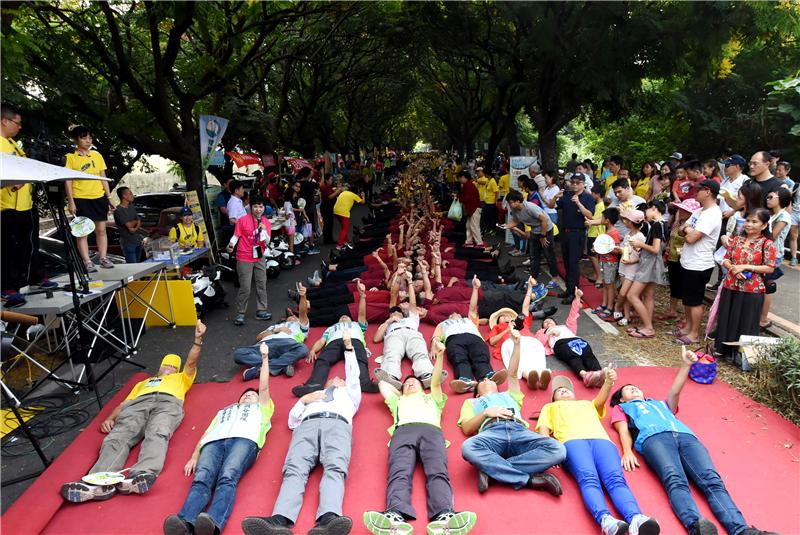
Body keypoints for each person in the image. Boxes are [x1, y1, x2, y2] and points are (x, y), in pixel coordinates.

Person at [611, 346, 773, 535]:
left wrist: (685, 365)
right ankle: (696, 527)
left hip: (686, 437)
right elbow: (623, 430)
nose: (634, 389)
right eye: (629, 390)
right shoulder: (623, 409)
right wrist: (628, 451)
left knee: (713, 481)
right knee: (675, 479)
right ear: (622, 400)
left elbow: (675, 392)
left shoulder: (659, 404)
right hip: (654, 440)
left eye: (636, 388)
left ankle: (742, 530)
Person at [61, 321, 207, 503]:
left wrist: (197, 340)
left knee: (158, 432)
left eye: (173, 367)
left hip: (168, 403)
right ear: (160, 367)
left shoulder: (181, 378)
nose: (169, 368)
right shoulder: (142, 383)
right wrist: (110, 417)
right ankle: (99, 480)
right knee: (119, 435)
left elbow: (191, 362)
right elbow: (125, 403)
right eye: (166, 365)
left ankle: (141, 475)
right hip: (138, 404)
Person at [241, 330, 361, 535]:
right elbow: (291, 421)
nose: (336, 379)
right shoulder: (314, 395)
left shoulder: (350, 394)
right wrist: (303, 400)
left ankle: (329, 519)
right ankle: (279, 520)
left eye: (340, 379)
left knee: (335, 466)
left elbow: (353, 374)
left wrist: (349, 349)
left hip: (337, 424)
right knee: (294, 469)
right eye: (333, 379)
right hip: (307, 424)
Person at [364, 340, 477, 535]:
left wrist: (440, 356)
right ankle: (394, 516)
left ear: (421, 385)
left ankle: (444, 516)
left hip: (431, 431)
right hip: (403, 431)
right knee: (399, 472)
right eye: (407, 383)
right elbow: (382, 383)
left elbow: (435, 381)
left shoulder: (433, 398)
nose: (410, 384)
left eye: (414, 382)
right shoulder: (397, 401)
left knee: (437, 472)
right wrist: (401, 390)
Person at [164, 343, 274, 535]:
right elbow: (207, 433)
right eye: (245, 394)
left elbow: (263, 388)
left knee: (227, 476)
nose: (249, 396)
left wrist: (265, 359)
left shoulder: (263, 409)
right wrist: (194, 456)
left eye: (252, 395)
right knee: (202, 479)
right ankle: (185, 522)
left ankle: (213, 522)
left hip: (244, 440)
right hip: (213, 442)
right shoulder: (224, 411)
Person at [536, 372, 661, 535]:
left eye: (566, 389)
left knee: (616, 480)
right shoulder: (550, 407)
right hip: (573, 442)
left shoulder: (587, 404)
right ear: (554, 399)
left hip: (602, 442)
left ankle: (636, 518)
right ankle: (606, 520)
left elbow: (600, 401)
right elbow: (544, 428)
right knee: (588, 479)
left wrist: (608, 382)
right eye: (559, 391)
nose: (564, 390)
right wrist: (550, 449)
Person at [459, 329, 566, 495]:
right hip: (491, 432)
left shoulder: (509, 395)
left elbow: (513, 374)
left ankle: (493, 472)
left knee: (558, 450)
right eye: (483, 380)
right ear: (478, 393)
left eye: (491, 378)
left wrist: (517, 345)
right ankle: (530, 480)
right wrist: (486, 413)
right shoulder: (472, 401)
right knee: (468, 447)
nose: (488, 379)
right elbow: (466, 428)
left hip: (519, 431)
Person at [1, 103, 54, 306]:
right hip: (6, 207)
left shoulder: (13, 144)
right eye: (17, 122)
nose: (19, 126)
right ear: (5, 121)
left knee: (29, 245)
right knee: (7, 250)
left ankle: (34, 278)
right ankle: (7, 287)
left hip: (25, 204)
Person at [292, 281, 380, 396]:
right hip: (334, 343)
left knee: (360, 359)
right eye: (342, 317)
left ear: (351, 320)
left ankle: (364, 382)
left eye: (346, 317)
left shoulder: (357, 325)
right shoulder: (331, 328)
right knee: (323, 360)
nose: (344, 317)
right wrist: (313, 350)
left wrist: (362, 296)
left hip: (354, 340)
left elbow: (362, 314)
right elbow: (322, 341)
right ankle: (313, 385)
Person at [715, 209, 776, 359]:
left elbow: (770, 267)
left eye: (754, 222)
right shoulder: (736, 239)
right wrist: (732, 268)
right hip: (731, 285)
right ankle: (723, 351)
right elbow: (726, 258)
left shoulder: (767, 244)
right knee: (727, 317)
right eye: (748, 220)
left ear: (763, 226)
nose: (749, 224)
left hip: (752, 289)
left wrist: (746, 267)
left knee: (745, 321)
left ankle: (740, 356)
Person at [431, 276, 507, 394]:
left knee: (480, 355)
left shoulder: (469, 320)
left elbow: (472, 307)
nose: (454, 313)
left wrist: (475, 288)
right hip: (454, 339)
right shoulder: (443, 324)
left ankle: (487, 376)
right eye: (452, 314)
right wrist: (433, 347)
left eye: (456, 313)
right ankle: (465, 380)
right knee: (459, 357)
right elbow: (435, 337)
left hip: (474, 338)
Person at [675, 180, 722, 345]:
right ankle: (687, 328)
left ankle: (694, 334)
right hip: (688, 260)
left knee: (695, 300)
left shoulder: (713, 213)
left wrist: (687, 230)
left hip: (700, 263)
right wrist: (687, 230)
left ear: (708, 191)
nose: (695, 193)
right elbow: (682, 229)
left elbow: (691, 237)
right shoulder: (700, 211)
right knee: (687, 299)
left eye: (698, 190)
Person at [373, 274, 437, 389]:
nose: (394, 313)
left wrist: (410, 281)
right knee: (392, 355)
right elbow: (376, 339)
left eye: (397, 312)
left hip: (411, 332)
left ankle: (427, 375)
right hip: (394, 334)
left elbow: (412, 303)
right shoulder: (388, 323)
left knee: (420, 353)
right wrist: (388, 322)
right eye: (393, 312)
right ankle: (391, 377)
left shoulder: (411, 318)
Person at [485, 277, 551, 390]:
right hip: (510, 341)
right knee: (519, 358)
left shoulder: (520, 321)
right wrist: (507, 330)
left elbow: (525, 306)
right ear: (498, 321)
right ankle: (529, 377)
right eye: (503, 316)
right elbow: (492, 341)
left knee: (535, 352)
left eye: (508, 315)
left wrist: (530, 287)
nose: (506, 317)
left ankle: (542, 375)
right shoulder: (497, 327)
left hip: (529, 340)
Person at [64, 125, 115, 271]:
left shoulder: (97, 155)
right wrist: (71, 201)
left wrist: (109, 196)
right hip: (81, 198)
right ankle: (87, 261)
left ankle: (103, 257)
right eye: (84, 137)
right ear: (76, 140)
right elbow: (68, 181)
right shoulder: (70, 158)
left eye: (90, 138)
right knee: (83, 232)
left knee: (101, 230)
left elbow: (103, 177)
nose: (88, 140)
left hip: (98, 197)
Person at [235, 284, 310, 379]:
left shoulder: (301, 325)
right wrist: (276, 330)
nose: (294, 316)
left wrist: (303, 296)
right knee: (239, 354)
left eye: (295, 316)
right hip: (266, 345)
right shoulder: (275, 326)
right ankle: (280, 366)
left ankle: (262, 368)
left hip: (287, 345)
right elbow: (259, 337)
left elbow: (303, 313)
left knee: (303, 349)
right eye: (291, 316)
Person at [534, 288, 605, 387]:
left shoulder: (565, 327)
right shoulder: (543, 332)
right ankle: (585, 375)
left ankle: (599, 375)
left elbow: (572, 316)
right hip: (561, 344)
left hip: (577, 341)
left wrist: (577, 298)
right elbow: (538, 343)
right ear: (543, 326)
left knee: (588, 355)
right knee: (573, 358)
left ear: (556, 323)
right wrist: (548, 334)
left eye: (550, 320)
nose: (548, 322)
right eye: (545, 322)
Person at [226, 195, 272, 326]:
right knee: (245, 287)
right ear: (251, 207)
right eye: (255, 206)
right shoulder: (243, 220)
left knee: (261, 284)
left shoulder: (266, 223)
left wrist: (263, 231)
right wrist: (230, 245)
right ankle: (241, 313)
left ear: (264, 208)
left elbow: (267, 242)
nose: (258, 209)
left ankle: (262, 310)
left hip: (259, 256)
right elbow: (236, 236)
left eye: (261, 206)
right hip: (244, 257)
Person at [625, 201, 668, 338]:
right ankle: (646, 325)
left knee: (632, 295)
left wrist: (640, 244)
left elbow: (655, 249)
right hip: (655, 263)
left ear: (654, 209)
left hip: (649, 263)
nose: (645, 215)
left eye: (646, 211)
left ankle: (648, 328)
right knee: (648, 296)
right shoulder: (664, 224)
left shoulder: (656, 225)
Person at [505, 189, 562, 290]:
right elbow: (516, 220)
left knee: (549, 254)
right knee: (534, 256)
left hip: (545, 229)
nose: (509, 205)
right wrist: (507, 226)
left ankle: (555, 278)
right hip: (534, 230)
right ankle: (533, 278)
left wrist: (543, 236)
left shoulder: (530, 208)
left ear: (518, 201)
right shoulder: (514, 209)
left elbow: (544, 220)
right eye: (509, 203)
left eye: (511, 202)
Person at [558, 174, 596, 303]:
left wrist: (578, 203)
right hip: (566, 232)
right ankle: (569, 289)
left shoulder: (588, 197)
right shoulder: (567, 195)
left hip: (578, 233)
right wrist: (554, 197)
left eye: (577, 182)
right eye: (572, 182)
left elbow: (590, 215)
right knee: (566, 262)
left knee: (573, 263)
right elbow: (553, 205)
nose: (574, 184)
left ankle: (574, 292)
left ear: (583, 184)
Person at [759, 188, 791, 328]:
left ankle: (763, 319)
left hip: (773, 255)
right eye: (768, 196)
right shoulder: (772, 215)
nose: (768, 198)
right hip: (764, 253)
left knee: (768, 286)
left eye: (772, 196)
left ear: (781, 199)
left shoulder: (783, 216)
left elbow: (772, 236)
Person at [114, 187, 144, 263]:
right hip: (128, 243)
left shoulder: (131, 206)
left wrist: (135, 227)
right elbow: (129, 226)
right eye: (130, 193)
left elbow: (139, 221)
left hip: (137, 241)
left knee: (138, 266)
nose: (132, 195)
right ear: (124, 196)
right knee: (133, 267)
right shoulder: (118, 210)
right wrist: (135, 222)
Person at [457, 170, 483, 248]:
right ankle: (469, 242)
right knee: (469, 226)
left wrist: (458, 197)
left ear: (463, 177)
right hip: (471, 208)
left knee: (474, 226)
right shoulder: (467, 185)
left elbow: (466, 198)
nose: (459, 180)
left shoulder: (469, 185)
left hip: (474, 208)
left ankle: (479, 243)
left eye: (460, 178)